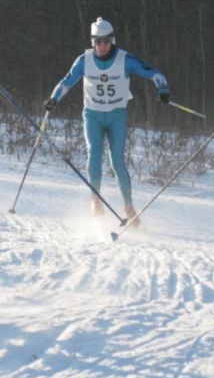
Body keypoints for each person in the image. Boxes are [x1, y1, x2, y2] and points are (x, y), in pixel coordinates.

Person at [44, 17, 171, 226]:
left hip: (116, 116)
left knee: (117, 161)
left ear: (112, 40)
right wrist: (53, 99)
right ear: (92, 41)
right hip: (92, 115)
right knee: (93, 152)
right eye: (98, 41)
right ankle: (95, 199)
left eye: (106, 41)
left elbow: (154, 74)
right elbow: (67, 82)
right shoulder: (84, 60)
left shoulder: (125, 60)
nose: (102, 46)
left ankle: (129, 207)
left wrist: (163, 89)